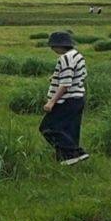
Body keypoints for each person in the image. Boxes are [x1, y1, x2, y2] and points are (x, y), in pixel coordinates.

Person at [40, 30, 88, 164]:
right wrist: (55, 77)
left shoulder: (65, 58)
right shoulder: (77, 55)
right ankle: (67, 159)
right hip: (78, 97)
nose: (52, 49)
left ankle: (75, 152)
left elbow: (65, 84)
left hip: (67, 99)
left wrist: (51, 102)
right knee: (70, 129)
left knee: (47, 127)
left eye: (53, 46)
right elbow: (78, 75)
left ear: (60, 46)